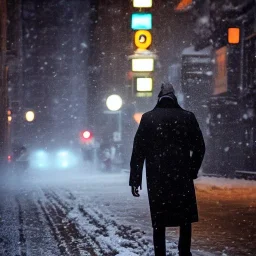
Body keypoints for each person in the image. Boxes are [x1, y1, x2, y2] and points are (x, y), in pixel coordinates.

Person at [129, 83, 205, 256]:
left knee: (159, 220)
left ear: (159, 98)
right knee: (184, 219)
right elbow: (200, 147)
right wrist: (192, 170)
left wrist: (135, 180)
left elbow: (138, 151)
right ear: (174, 98)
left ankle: (160, 253)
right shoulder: (187, 117)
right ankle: (184, 252)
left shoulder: (148, 118)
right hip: (181, 177)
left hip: (157, 178)